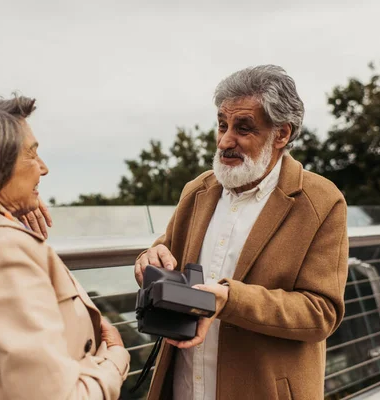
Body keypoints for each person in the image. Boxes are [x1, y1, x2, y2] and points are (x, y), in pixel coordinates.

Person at [134, 65, 349, 399]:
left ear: (281, 135)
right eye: (222, 125)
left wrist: (230, 300)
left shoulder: (322, 202)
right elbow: (164, 252)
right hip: (184, 388)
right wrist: (148, 259)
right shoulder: (197, 191)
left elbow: (321, 313)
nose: (224, 140)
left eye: (243, 128)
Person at [0, 88, 130, 399]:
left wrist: (10, 208)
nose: (43, 168)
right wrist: (114, 362)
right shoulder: (2, 253)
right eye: (32, 154)